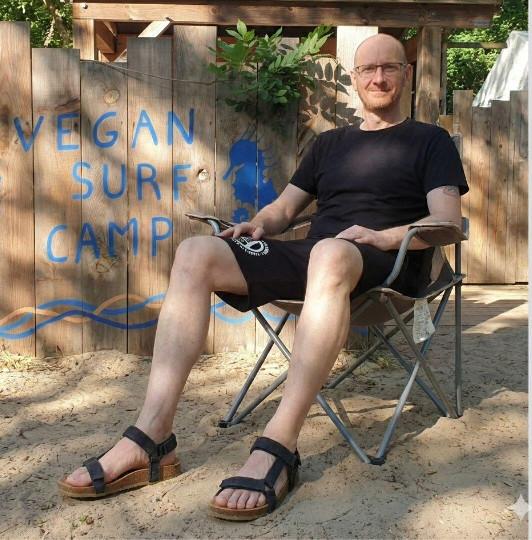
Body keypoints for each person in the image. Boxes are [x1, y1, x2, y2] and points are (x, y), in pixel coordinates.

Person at [59, 33, 468, 520]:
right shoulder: (330, 144)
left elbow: (446, 223)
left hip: (387, 265)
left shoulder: (430, 140)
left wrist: (381, 237)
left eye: (390, 68)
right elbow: (285, 208)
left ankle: (280, 442)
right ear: (355, 78)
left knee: (329, 254)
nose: (378, 78)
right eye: (368, 69)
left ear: (406, 73)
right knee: (196, 252)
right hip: (319, 258)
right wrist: (259, 224)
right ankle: (152, 437)